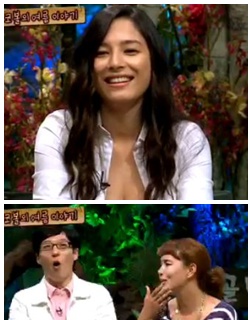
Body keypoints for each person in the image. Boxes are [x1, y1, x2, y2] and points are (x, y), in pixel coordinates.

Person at [33, 5, 213, 200]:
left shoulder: (186, 140)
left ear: (153, 61)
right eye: (101, 53)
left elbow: (196, 214)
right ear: (89, 67)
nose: (115, 63)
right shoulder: (60, 132)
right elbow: (52, 214)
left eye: (130, 51)